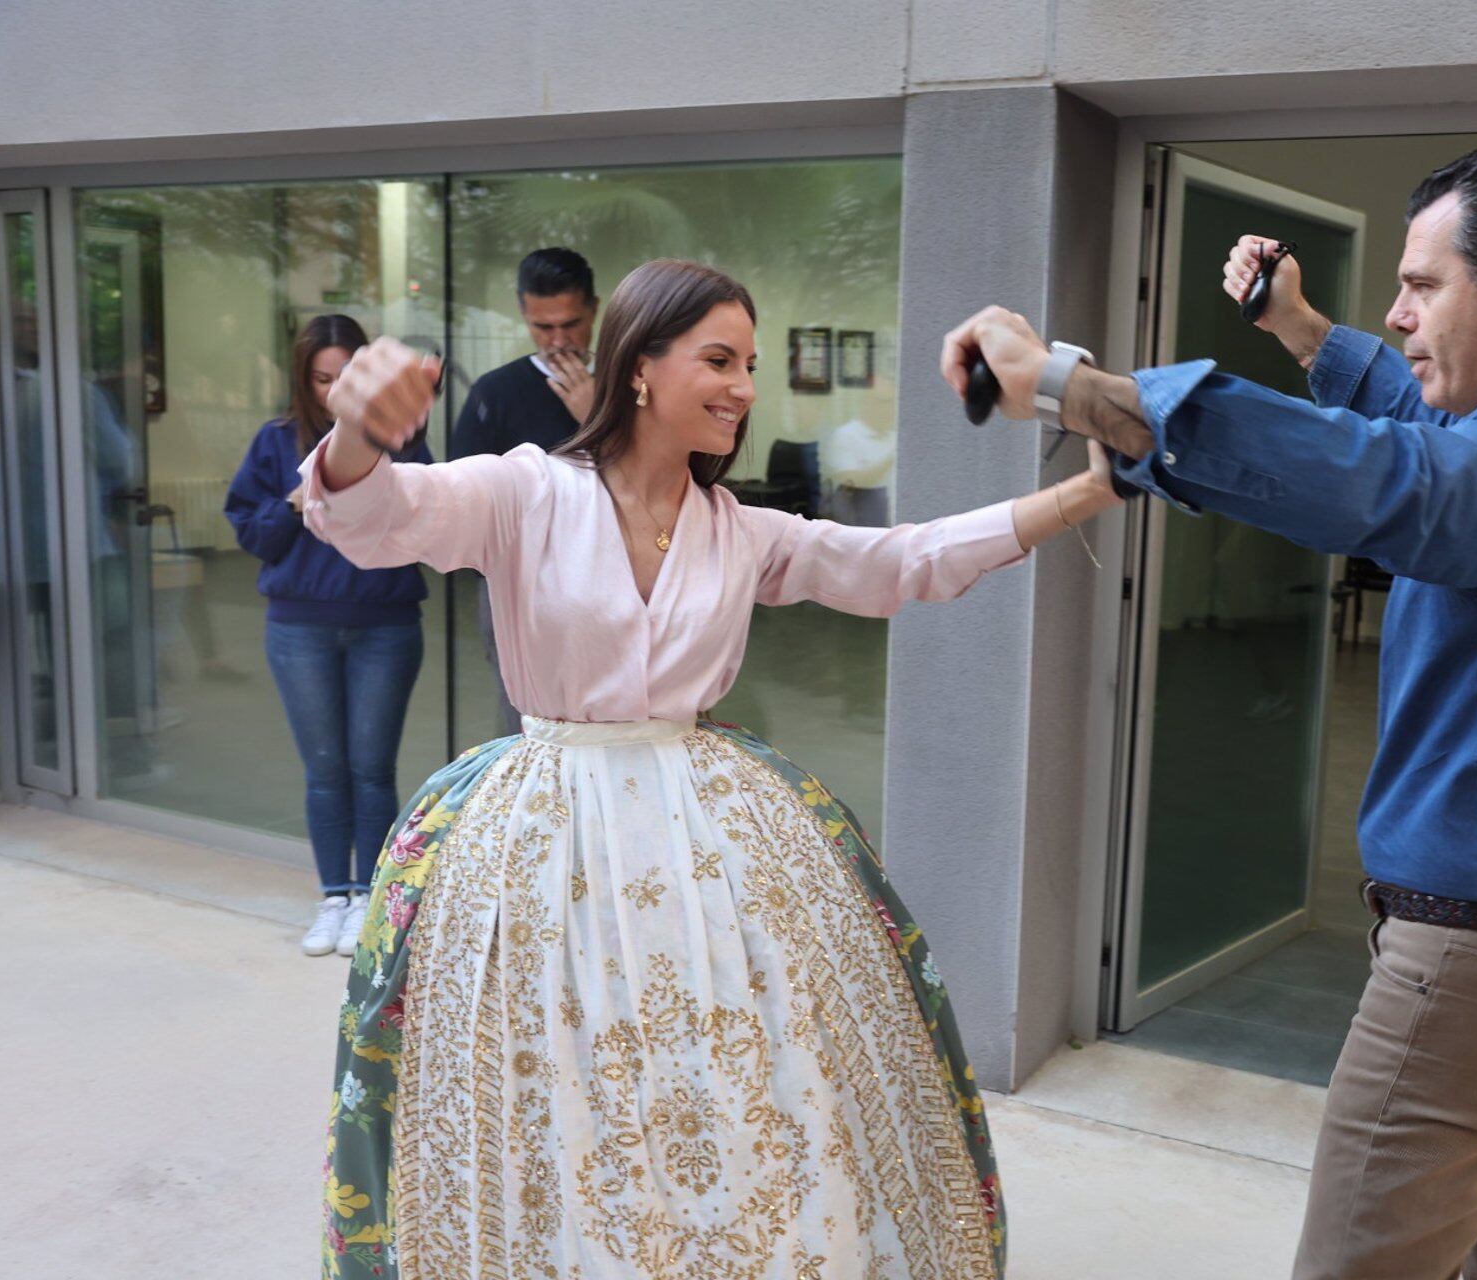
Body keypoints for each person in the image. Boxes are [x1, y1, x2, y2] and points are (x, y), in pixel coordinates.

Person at [943, 143, 1477, 1280]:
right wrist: (1299, 325)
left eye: (1422, 284)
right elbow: (1428, 426)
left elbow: (1401, 479)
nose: (1399, 314)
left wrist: (1077, 389)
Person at [307, 259, 1124, 1279]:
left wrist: (1087, 491)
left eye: (753, 362)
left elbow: (903, 559)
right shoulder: (527, 489)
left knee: (738, 1077)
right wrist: (358, 434)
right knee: (561, 1085)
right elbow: (376, 516)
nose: (745, 385)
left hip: (709, 840)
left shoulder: (739, 529)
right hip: (544, 843)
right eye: (720, 358)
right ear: (639, 368)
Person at [224, 314, 431, 957]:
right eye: (321, 378)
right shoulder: (275, 440)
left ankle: (371, 899)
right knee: (324, 770)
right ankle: (333, 896)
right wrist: (298, 498)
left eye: (346, 375)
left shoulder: (400, 434)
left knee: (372, 769)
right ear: (304, 378)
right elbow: (254, 534)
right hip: (300, 626)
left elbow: (422, 520)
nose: (334, 390)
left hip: (385, 624)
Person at [452, 247, 601, 732]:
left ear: (595, 309)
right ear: (523, 314)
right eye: (543, 327)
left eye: (571, 324)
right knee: (524, 729)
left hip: (612, 585)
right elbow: (464, 501)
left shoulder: (629, 386)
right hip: (517, 589)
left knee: (608, 724)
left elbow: (658, 484)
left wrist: (598, 417)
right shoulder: (494, 394)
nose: (558, 341)